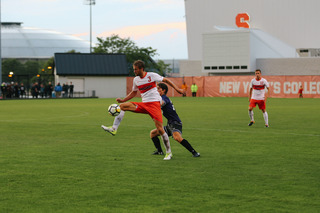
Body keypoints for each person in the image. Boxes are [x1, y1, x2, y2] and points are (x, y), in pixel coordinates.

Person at [101, 60, 185, 160]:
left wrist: (178, 89)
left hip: (154, 105)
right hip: (144, 105)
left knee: (160, 129)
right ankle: (114, 128)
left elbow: (166, 80)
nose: (134, 71)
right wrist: (123, 100)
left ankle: (168, 153)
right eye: (133, 69)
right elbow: (133, 92)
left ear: (141, 69)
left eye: (136, 69)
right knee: (122, 106)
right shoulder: (136, 80)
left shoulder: (152, 75)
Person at [150, 83, 200, 157]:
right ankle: (159, 151)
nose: (157, 90)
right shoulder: (161, 98)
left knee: (177, 138)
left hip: (175, 123)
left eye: (158, 89)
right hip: (170, 124)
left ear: (163, 90)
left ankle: (194, 152)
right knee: (153, 133)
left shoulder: (164, 98)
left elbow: (161, 103)